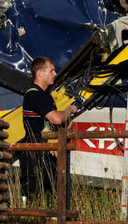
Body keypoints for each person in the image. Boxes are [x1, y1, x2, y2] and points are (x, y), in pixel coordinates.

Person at [20, 56, 78, 199]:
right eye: (51, 71)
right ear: (39, 73)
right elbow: (56, 118)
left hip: (46, 153)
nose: (55, 74)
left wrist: (65, 123)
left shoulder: (45, 96)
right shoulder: (35, 95)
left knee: (50, 192)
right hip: (35, 154)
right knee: (33, 193)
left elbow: (53, 122)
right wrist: (69, 110)